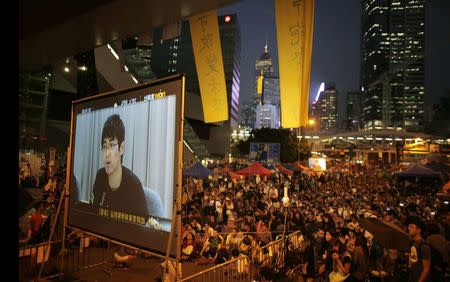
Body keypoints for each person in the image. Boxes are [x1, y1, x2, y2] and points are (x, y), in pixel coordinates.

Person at [92, 114, 149, 220]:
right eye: (105, 147)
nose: (107, 154)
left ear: (121, 148)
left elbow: (143, 225)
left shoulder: (134, 184)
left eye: (112, 145)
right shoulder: (100, 176)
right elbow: (94, 214)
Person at [407, 216, 431, 282]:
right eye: (408, 226)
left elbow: (426, 269)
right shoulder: (413, 243)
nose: (409, 228)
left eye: (411, 226)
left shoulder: (424, 246)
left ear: (419, 230)